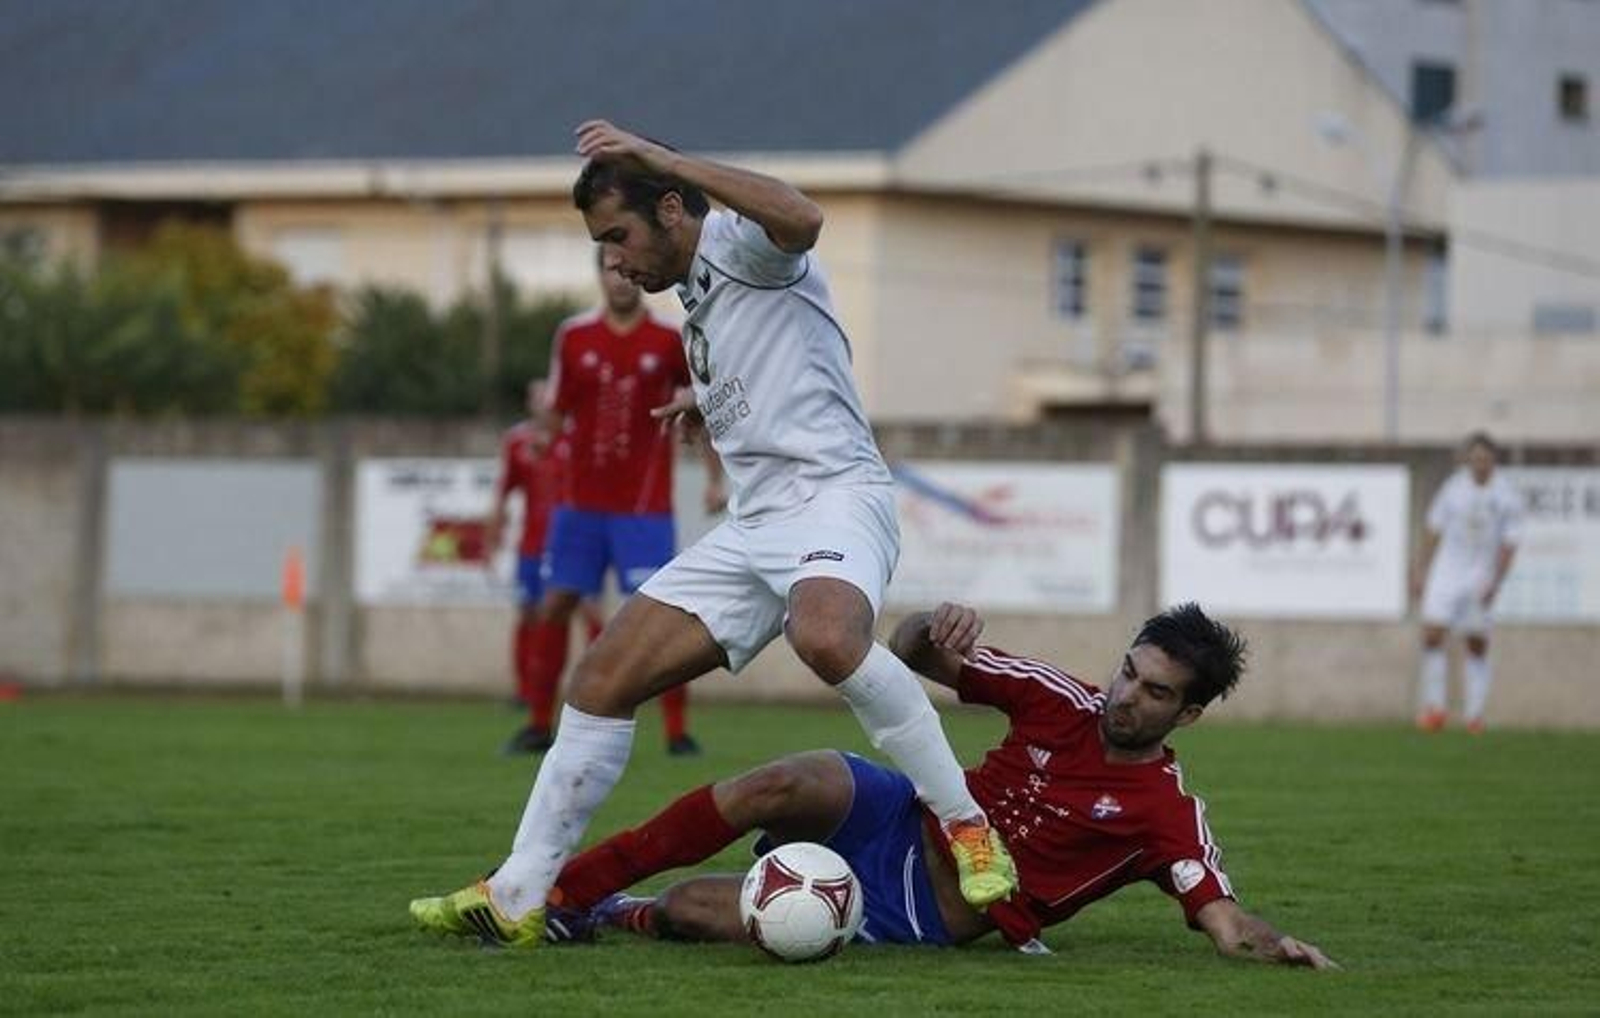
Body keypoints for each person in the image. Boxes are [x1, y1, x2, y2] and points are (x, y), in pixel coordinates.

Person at [409, 120, 1018, 948]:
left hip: (833, 498)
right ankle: (519, 892)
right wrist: (708, 401)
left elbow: (802, 218)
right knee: (600, 679)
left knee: (827, 638)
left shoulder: (739, 244)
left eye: (618, 237)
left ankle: (965, 824)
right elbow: (778, 359)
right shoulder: (696, 295)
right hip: (756, 525)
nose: (614, 261)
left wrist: (664, 157)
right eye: (601, 245)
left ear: (670, 208)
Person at [533, 601, 1335, 969]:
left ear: (1187, 715)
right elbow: (911, 652)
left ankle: (622, 910)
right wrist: (932, 622)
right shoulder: (1060, 699)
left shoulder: (1166, 813)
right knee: (782, 779)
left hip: (918, 908)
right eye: (1129, 672)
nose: (1125, 696)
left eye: (1154, 692)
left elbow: (1224, 920)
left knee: (690, 909)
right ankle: (564, 890)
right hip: (904, 812)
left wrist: (1279, 947)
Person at [500, 252, 724, 758]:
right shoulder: (574, 336)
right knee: (555, 603)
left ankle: (677, 731)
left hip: (644, 511)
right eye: (610, 268)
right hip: (578, 508)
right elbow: (558, 410)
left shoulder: (667, 340)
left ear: (640, 275)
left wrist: (714, 478)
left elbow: (697, 411)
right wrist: (542, 442)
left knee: (664, 615)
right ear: (598, 274)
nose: (620, 279)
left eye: (627, 270)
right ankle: (538, 724)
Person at [484, 379, 606, 752]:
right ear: (530, 403)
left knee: (588, 611)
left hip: (573, 543)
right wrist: (494, 530)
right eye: (538, 398)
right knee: (530, 614)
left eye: (549, 398)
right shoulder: (517, 441)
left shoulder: (576, 438)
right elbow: (504, 490)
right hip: (532, 546)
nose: (544, 405)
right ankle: (526, 694)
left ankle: (602, 688)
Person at [1410, 431, 1523, 734]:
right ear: (1468, 460)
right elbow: (1433, 528)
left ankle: (1474, 716)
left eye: (1485, 459)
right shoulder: (1453, 488)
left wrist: (1496, 582)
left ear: (1493, 461)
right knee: (1432, 634)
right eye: (1475, 459)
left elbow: (1510, 544)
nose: (1480, 464)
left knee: (1476, 643)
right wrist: (1421, 569)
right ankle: (1435, 710)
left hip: (1480, 575)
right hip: (1447, 571)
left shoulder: (1507, 496)